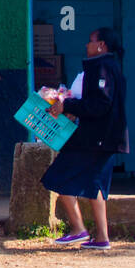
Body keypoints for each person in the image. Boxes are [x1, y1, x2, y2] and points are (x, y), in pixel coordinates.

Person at [43, 27, 128, 250]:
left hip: (96, 138)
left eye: (90, 41)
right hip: (106, 137)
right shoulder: (110, 67)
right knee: (95, 184)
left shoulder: (101, 68)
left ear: (101, 46)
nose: (86, 45)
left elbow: (100, 104)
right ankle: (101, 238)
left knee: (58, 175)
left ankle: (78, 229)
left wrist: (67, 106)